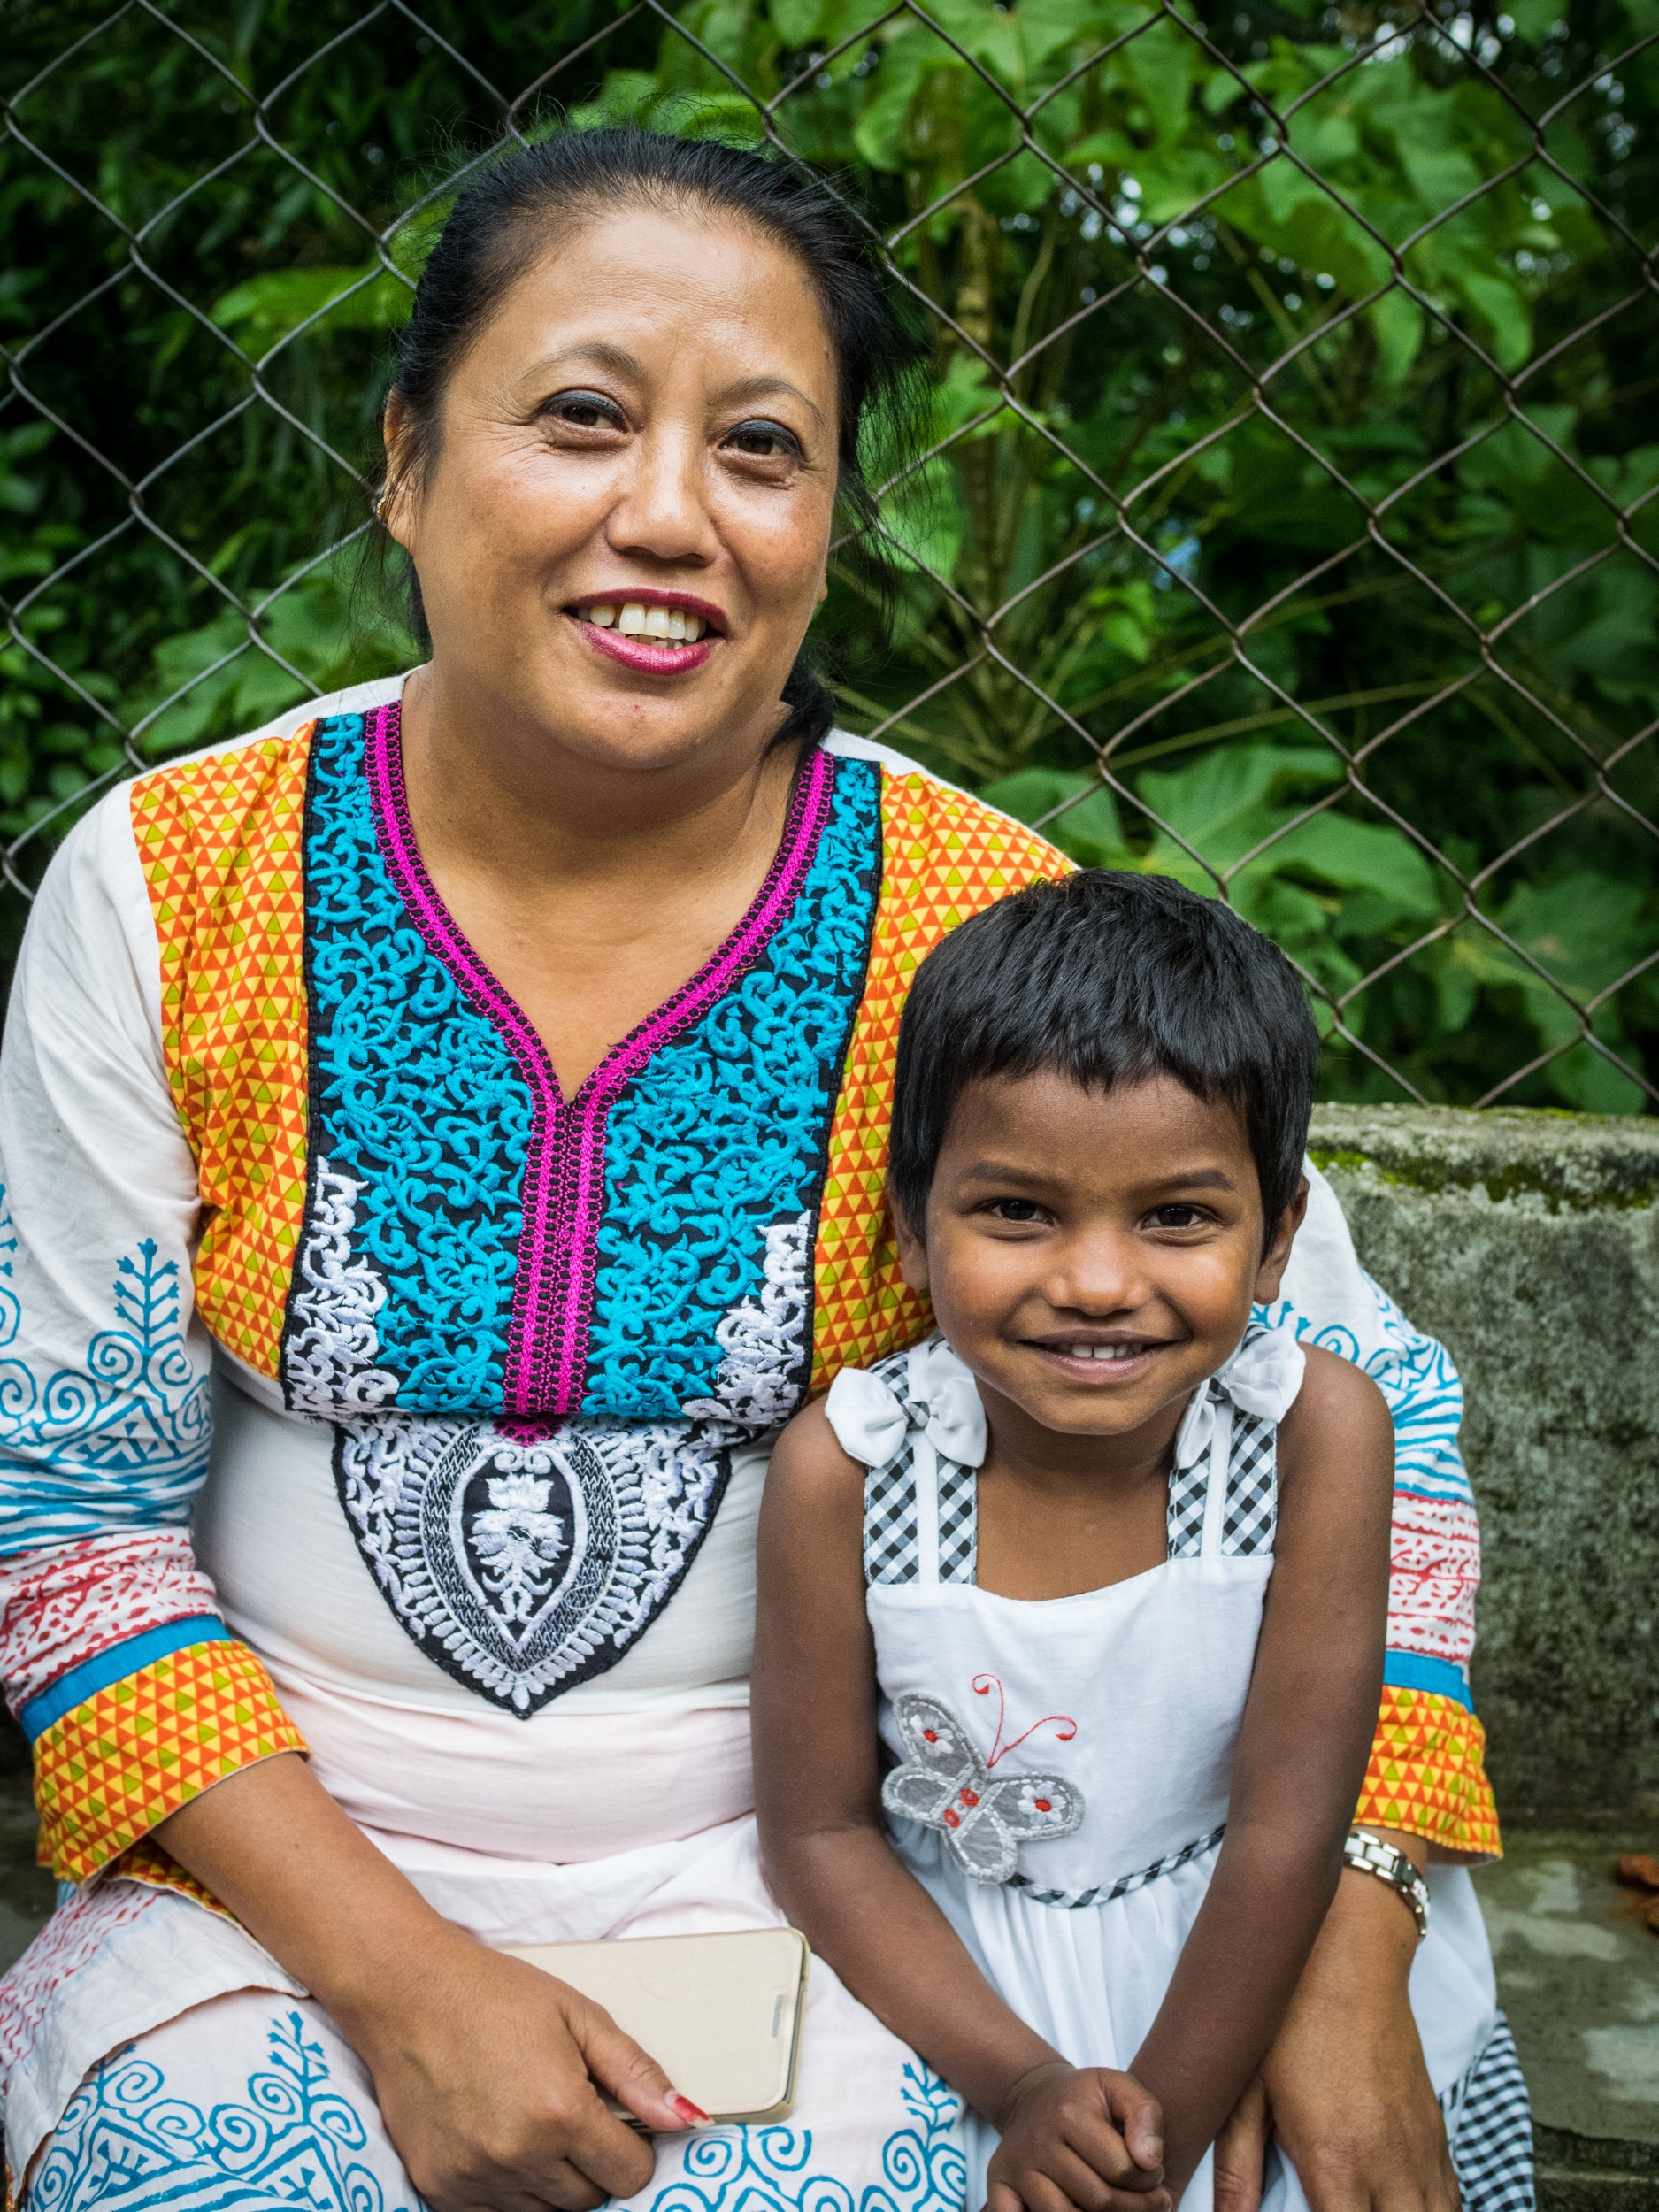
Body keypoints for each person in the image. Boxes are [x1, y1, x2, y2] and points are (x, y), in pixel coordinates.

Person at [0, 127, 1508, 2212]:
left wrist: (1350, 1936)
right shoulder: (172, 883)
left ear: (822, 526)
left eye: (761, 450)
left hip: (836, 1877)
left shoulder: (966, 914)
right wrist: (404, 1976)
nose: (666, 516)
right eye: (582, 418)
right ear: (405, 459)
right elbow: (69, 1512)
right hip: (283, 1882)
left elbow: (1378, 1425)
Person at [755, 871, 1529, 2212]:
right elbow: (820, 1834)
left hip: (1245, 1946)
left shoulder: (1314, 1438)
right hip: (954, 1987)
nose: (1098, 1283)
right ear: (910, 1229)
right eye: (1016, 1213)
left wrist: (1150, 2136)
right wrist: (1022, 2089)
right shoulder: (848, 1470)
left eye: (1178, 1217)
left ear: (1279, 1236)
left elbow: (1294, 1821)